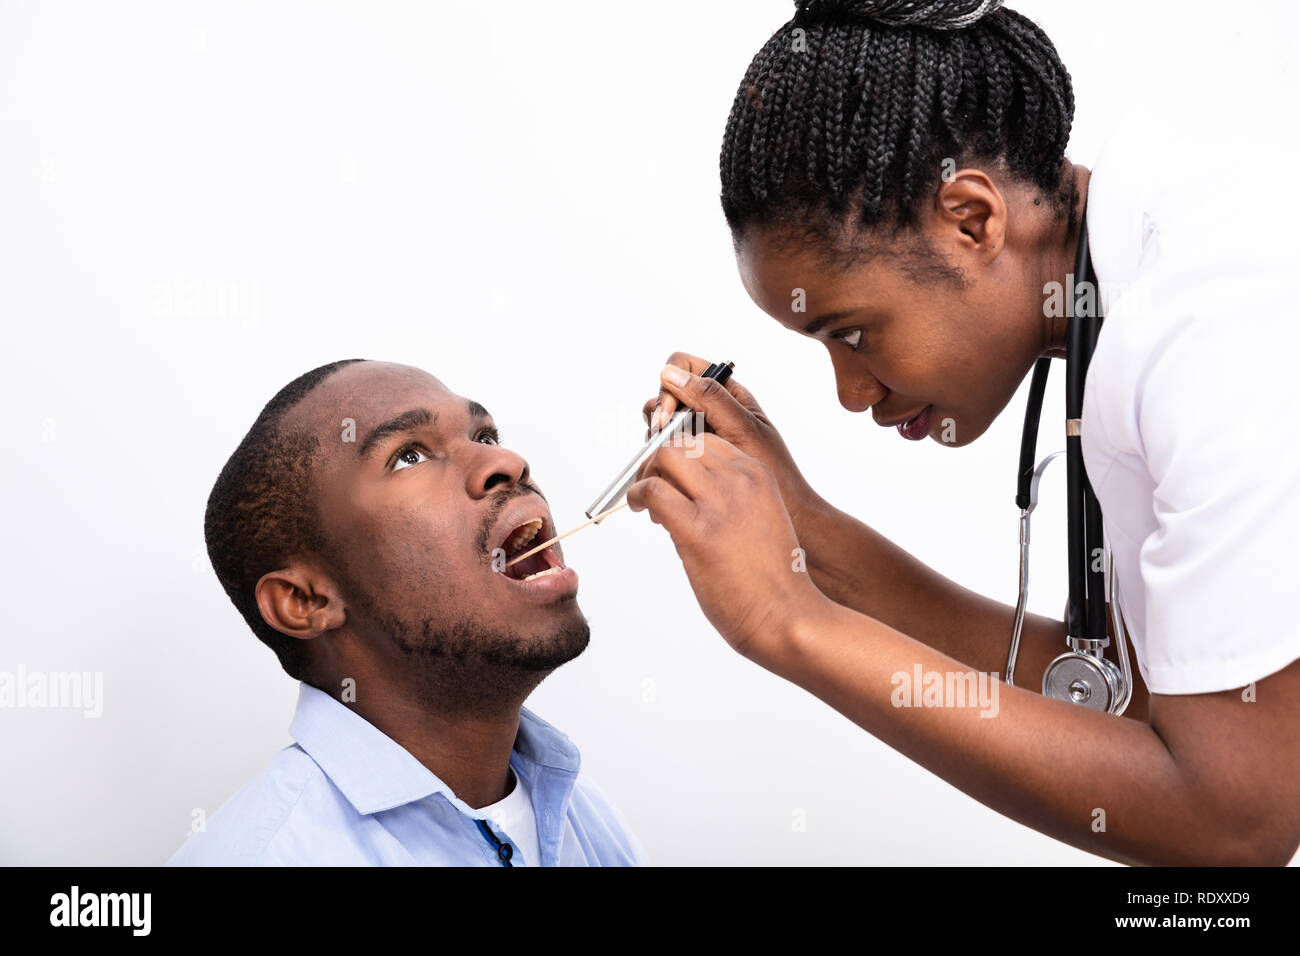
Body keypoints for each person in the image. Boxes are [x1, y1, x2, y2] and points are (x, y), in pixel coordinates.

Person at [629, 0, 1300, 865]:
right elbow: (1146, 702)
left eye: (853, 331)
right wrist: (810, 536)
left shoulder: (1205, 336)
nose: (849, 391)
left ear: (972, 220)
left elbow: (1235, 824)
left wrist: (788, 623)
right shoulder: (1133, 262)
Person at [169, 359, 645, 866]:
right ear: (305, 601)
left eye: (484, 436)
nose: (505, 461)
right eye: (409, 456)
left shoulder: (588, 820)